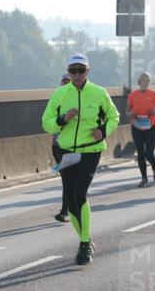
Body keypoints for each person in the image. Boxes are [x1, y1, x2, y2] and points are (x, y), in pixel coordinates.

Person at [41, 53, 120, 265]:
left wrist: (103, 131)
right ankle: (86, 239)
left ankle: (84, 243)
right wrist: (62, 119)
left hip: (90, 150)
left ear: (88, 71)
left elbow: (114, 117)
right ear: (68, 72)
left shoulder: (99, 92)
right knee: (71, 199)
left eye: (81, 70)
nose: (77, 74)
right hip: (67, 151)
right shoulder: (60, 94)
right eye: (73, 70)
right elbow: (46, 122)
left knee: (79, 194)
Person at [127, 72, 155, 187]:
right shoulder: (133, 95)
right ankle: (144, 178)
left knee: (149, 153)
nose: (146, 83)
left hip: (151, 127)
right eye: (144, 80)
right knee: (140, 153)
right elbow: (127, 112)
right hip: (137, 127)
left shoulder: (153, 94)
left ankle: (154, 167)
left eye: (148, 80)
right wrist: (131, 114)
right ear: (139, 82)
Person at [52, 73, 72, 221]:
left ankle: (67, 210)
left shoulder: (79, 100)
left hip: (74, 147)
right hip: (57, 146)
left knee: (70, 179)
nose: (65, 84)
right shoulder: (56, 99)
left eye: (68, 82)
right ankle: (66, 210)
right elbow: (49, 120)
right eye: (63, 82)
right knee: (66, 178)